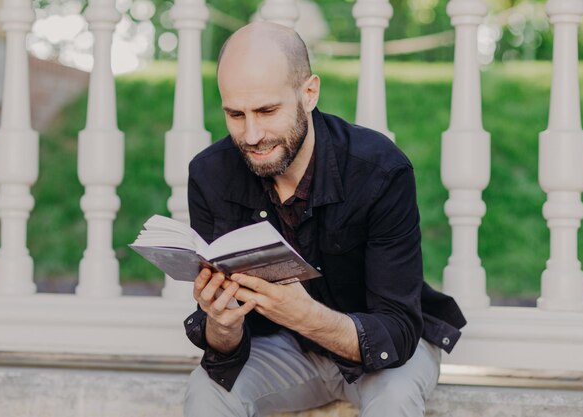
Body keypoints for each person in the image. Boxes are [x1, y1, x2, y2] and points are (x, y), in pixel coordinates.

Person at [182, 21, 466, 417]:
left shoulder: (381, 171)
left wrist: (307, 315)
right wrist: (222, 327)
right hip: (286, 348)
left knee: (396, 401)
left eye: (267, 110)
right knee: (206, 390)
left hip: (381, 353)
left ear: (309, 92)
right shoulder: (210, 174)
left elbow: (399, 332)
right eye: (235, 114)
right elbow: (223, 346)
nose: (250, 135)